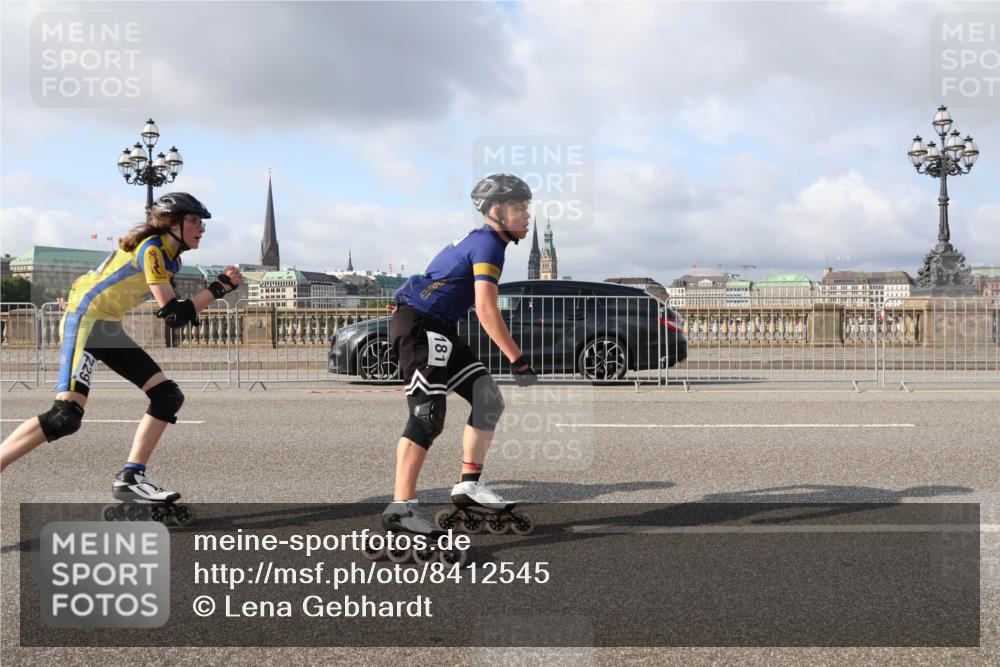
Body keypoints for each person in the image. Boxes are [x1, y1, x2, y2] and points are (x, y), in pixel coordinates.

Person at [0, 193, 243, 506]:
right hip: (85, 323)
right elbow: (175, 314)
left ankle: (131, 478)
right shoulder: (152, 248)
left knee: (167, 396)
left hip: (107, 328)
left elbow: (176, 311)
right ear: (172, 223)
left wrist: (214, 290)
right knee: (65, 416)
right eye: (195, 221)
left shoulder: (171, 257)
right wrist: (219, 287)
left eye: (202, 223)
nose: (202, 228)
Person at [382, 173, 538, 535]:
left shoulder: (485, 241)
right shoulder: (487, 244)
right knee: (427, 414)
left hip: (439, 327)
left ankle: (469, 486)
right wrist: (518, 359)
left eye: (528, 207)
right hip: (421, 327)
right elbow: (486, 310)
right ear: (498, 210)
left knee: (487, 398)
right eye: (520, 207)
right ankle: (401, 508)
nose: (527, 215)